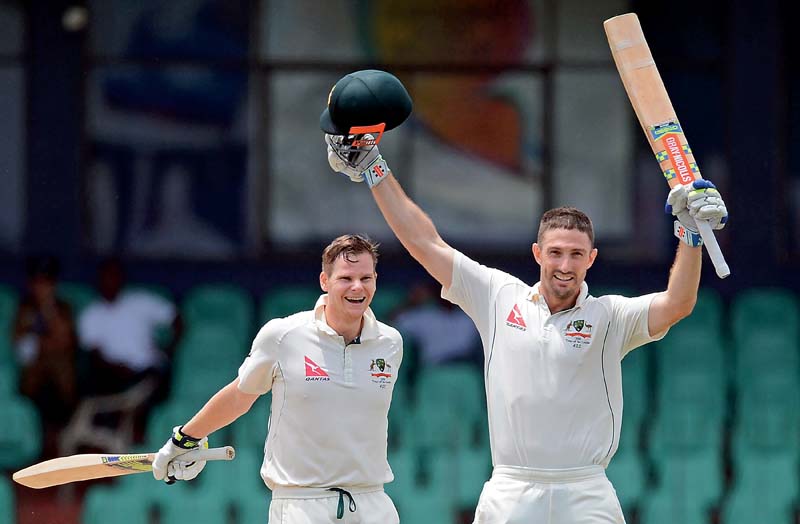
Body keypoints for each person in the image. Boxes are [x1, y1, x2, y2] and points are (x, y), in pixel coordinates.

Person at [322, 120, 728, 520]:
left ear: (591, 258)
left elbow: (679, 303)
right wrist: (374, 166)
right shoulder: (497, 296)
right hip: (512, 490)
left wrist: (690, 236)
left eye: (575, 254)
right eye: (555, 253)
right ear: (537, 254)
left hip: (585, 491)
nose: (564, 265)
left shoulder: (610, 316)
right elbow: (424, 243)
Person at [152, 234, 403, 524]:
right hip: (303, 506)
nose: (357, 287)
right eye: (346, 278)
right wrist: (185, 438)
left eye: (366, 278)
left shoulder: (390, 342)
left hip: (374, 504)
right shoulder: (283, 336)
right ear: (325, 281)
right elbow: (238, 397)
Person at [78, 257, 182, 399]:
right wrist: (116, 368)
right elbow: (94, 354)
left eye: (114, 276)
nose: (110, 281)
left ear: (122, 279)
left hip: (148, 370)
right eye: (106, 277)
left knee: (158, 381)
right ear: (99, 280)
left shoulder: (140, 301)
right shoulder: (91, 314)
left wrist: (171, 348)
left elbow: (176, 318)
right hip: (113, 374)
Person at [12, 255, 78, 456]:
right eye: (37, 282)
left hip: (61, 384)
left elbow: (64, 341)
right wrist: (46, 344)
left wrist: (48, 307)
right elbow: (21, 347)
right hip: (33, 381)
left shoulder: (63, 307)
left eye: (46, 283)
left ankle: (58, 444)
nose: (41, 288)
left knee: (61, 369)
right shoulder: (24, 308)